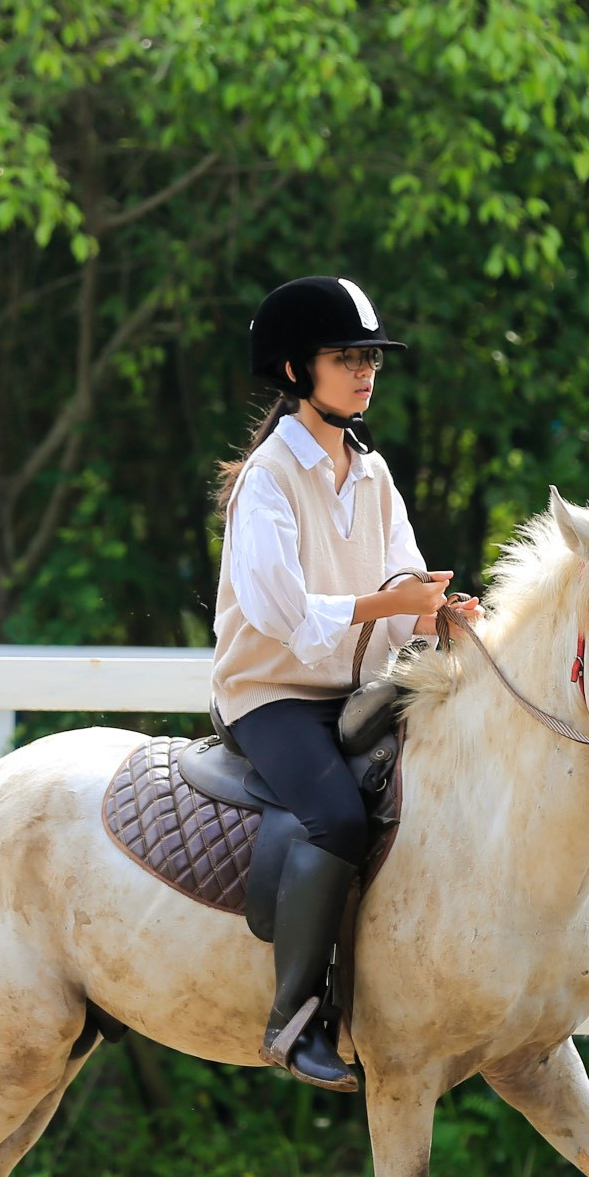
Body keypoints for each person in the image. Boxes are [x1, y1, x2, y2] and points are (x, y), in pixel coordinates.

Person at [210, 277, 479, 1091]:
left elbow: (399, 594)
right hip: (273, 696)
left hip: (356, 692)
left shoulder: (373, 472)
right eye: (346, 358)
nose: (364, 372)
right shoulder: (268, 478)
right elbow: (279, 613)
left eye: (370, 358)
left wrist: (434, 614)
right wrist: (389, 601)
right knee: (333, 815)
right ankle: (293, 1021)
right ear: (297, 369)